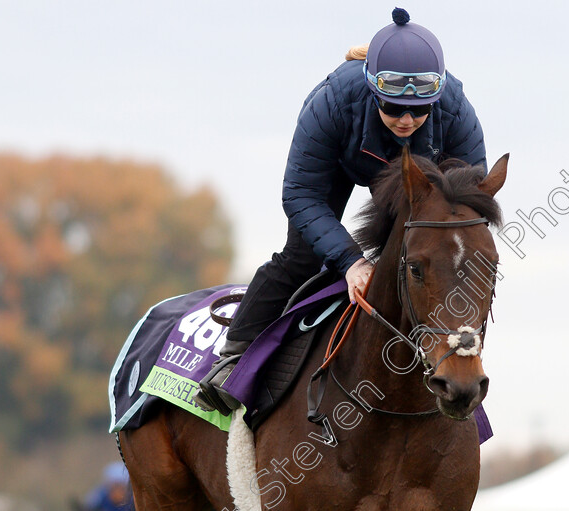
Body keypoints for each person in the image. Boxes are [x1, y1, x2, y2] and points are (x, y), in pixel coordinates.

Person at [194, 7, 486, 414]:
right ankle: (232, 363)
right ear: (371, 89)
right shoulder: (332, 101)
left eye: (419, 110)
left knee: (435, 260)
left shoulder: (456, 110)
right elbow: (300, 194)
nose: (406, 119)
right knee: (303, 256)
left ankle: (455, 365)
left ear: (435, 99)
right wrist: (351, 262)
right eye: (393, 106)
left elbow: (470, 204)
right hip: (341, 161)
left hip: (419, 174)